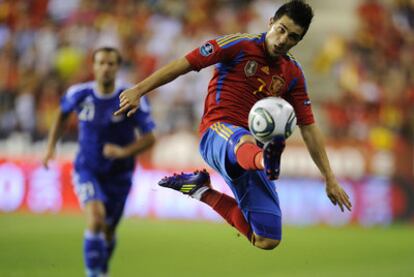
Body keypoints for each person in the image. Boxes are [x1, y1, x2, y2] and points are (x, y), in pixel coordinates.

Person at [114, 0, 352, 250]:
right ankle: (266, 161)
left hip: (250, 154)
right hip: (217, 133)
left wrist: (330, 178)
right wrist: (139, 89)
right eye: (281, 29)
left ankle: (200, 190)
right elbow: (185, 64)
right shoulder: (238, 44)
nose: (283, 40)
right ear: (270, 22)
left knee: (267, 239)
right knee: (244, 140)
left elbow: (309, 128)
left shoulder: (292, 73)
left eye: (293, 37)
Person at [43, 47, 156, 276]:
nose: (105, 68)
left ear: (117, 68)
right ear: (93, 66)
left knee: (108, 231)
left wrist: (123, 152)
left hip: (120, 174)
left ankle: (101, 269)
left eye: (111, 63)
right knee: (95, 218)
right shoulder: (79, 94)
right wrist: (51, 146)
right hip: (87, 168)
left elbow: (150, 138)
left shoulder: (130, 97)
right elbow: (61, 115)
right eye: (101, 63)